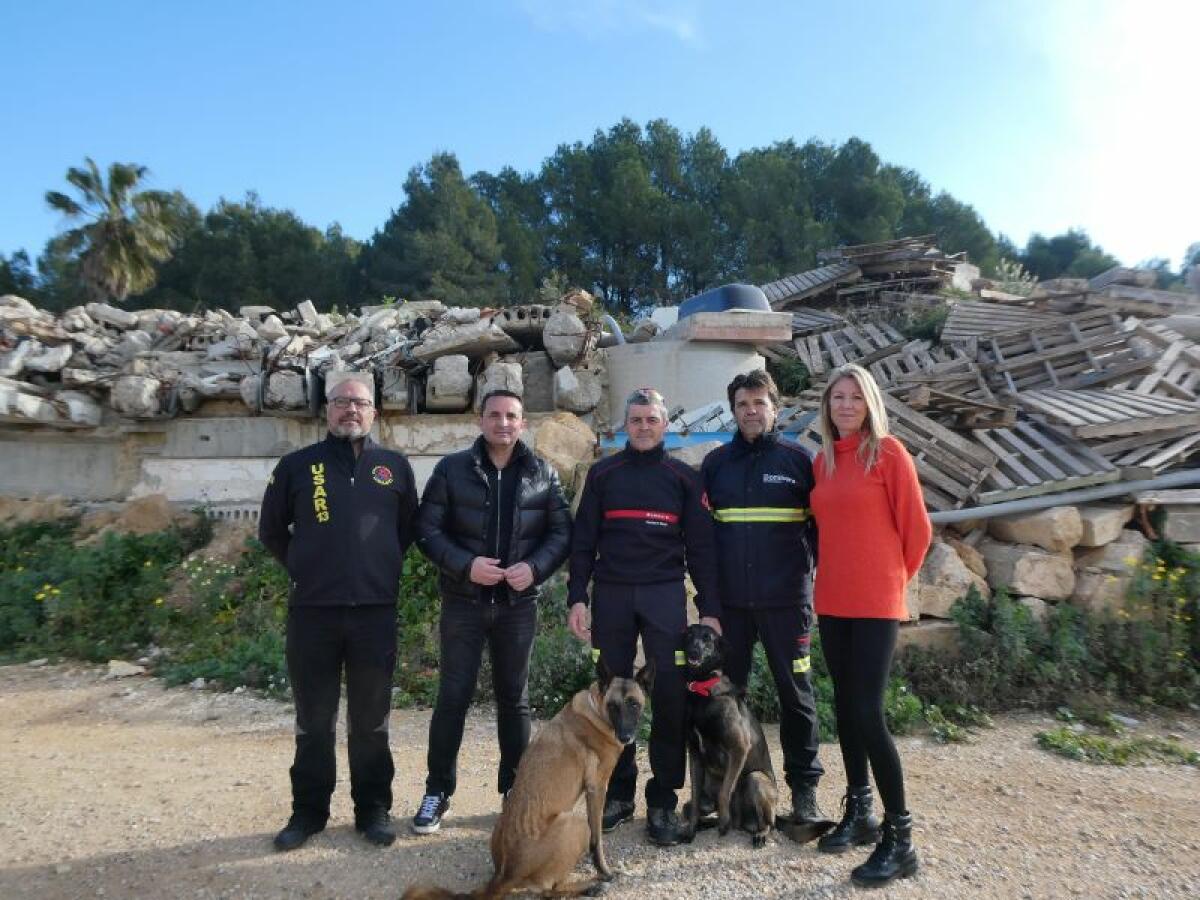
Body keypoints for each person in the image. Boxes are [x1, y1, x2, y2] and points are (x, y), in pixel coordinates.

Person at [258, 376, 418, 851]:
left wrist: (377, 569)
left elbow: (406, 529)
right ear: (327, 409)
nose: (352, 409)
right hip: (313, 614)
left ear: (374, 412)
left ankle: (373, 810)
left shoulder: (394, 467)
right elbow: (271, 532)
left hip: (375, 615)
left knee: (371, 722)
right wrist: (308, 569)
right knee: (314, 721)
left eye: (361, 403)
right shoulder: (296, 466)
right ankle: (308, 813)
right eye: (343, 401)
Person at [410, 389, 572, 834]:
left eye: (512, 416)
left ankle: (515, 792)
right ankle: (437, 791)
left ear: (522, 424)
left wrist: (534, 568)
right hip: (464, 604)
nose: (503, 423)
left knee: (514, 701)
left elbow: (562, 533)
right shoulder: (451, 469)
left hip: (517, 607)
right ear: (480, 421)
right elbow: (426, 529)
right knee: (452, 699)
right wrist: (466, 566)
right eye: (495, 415)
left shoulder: (543, 473)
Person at [567, 387, 722, 847]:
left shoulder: (683, 478)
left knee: (671, 695)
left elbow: (701, 549)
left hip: (663, 595)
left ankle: (662, 799)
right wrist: (578, 597)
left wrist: (710, 609)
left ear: (665, 425)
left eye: (651, 419)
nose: (643, 427)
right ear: (624, 426)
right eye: (635, 420)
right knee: (611, 695)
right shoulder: (602, 474)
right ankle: (618, 794)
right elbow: (581, 543)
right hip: (612, 594)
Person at [809, 363, 931, 887]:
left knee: (869, 713)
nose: (846, 405)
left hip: (877, 603)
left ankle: (900, 839)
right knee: (844, 707)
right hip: (832, 600)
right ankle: (860, 813)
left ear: (870, 403)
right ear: (827, 406)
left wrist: (890, 581)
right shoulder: (823, 463)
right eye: (838, 396)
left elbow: (917, 531)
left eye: (855, 397)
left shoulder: (889, 454)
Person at [700, 369, 825, 827]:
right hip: (732, 607)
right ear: (732, 411)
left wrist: (810, 582)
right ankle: (725, 792)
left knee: (797, 696)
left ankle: (805, 792)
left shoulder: (800, 462)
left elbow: (822, 531)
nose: (751, 412)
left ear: (776, 407)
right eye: (742, 405)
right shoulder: (716, 465)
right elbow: (705, 541)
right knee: (727, 700)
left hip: (787, 605)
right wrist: (709, 604)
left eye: (759, 404)